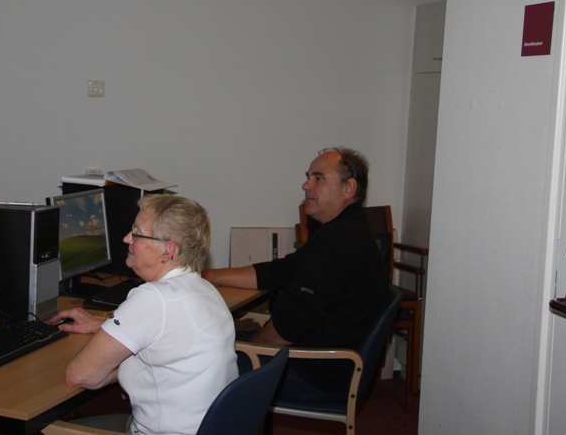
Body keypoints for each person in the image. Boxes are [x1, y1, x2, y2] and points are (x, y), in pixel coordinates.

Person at [202, 147, 388, 401]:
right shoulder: (345, 231)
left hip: (313, 373)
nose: (306, 185)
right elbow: (281, 272)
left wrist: (250, 350)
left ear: (348, 189)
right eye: (308, 177)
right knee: (214, 345)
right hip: (318, 362)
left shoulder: (339, 241)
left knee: (203, 366)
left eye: (318, 178)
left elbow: (291, 324)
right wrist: (210, 276)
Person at [50, 195, 238, 435]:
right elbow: (170, 337)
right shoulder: (205, 289)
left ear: (167, 251)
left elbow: (80, 376)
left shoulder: (152, 298)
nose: (126, 238)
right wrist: (105, 327)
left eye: (137, 233)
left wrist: (126, 370)